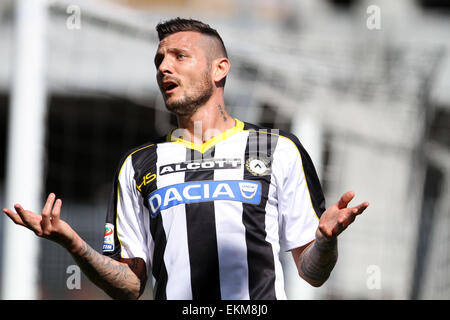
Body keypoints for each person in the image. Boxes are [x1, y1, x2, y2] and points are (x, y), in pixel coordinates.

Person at [2, 18, 369, 300]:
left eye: (179, 56)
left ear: (219, 68)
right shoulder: (139, 164)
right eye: (160, 59)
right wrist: (75, 244)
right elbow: (130, 285)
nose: (164, 67)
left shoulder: (275, 148)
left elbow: (312, 273)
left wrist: (325, 240)